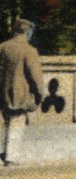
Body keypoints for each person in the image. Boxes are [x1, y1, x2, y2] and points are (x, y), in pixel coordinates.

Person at [0, 18, 43, 166]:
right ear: (27, 32)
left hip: (3, 92)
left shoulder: (3, 47)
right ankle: (11, 157)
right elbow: (35, 76)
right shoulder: (29, 51)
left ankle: (6, 152)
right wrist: (39, 95)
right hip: (21, 93)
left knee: (8, 123)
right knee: (17, 123)